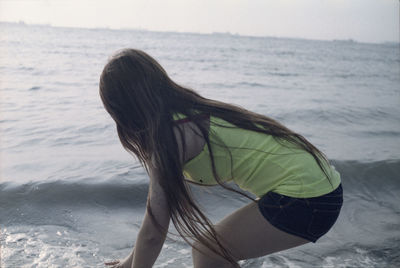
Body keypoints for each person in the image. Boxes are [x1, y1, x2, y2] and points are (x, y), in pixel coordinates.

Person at [101, 49, 343, 268]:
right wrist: (128, 263)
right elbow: (153, 226)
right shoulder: (188, 112)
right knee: (210, 252)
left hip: (308, 197)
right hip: (320, 188)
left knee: (207, 252)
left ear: (122, 110)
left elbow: (154, 231)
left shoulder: (171, 137)